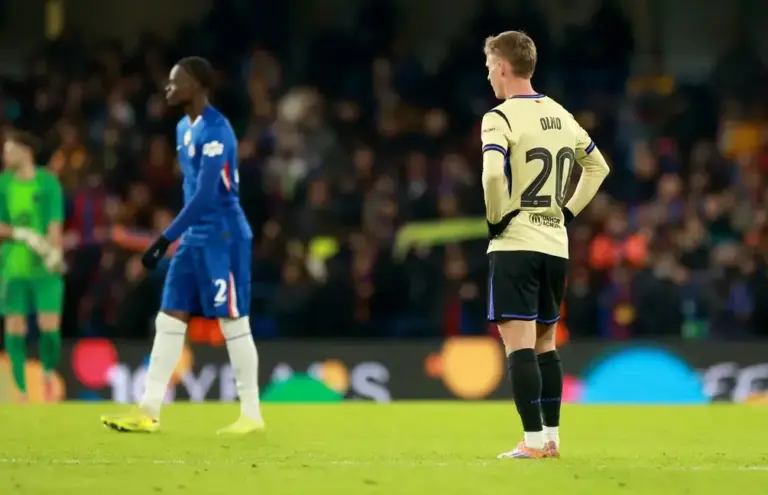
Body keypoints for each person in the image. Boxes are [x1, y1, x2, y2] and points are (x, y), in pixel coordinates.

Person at [101, 57, 264, 435]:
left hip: (224, 235)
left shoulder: (218, 131)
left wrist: (163, 239)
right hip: (194, 238)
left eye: (175, 82)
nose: (168, 88)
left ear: (197, 86)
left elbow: (207, 195)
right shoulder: (181, 129)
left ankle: (251, 414)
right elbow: (191, 192)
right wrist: (179, 237)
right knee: (169, 316)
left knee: (233, 321)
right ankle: (148, 409)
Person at [480, 31, 609, 459]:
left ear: (502, 67)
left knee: (518, 346)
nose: (488, 77)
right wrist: (567, 212)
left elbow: (494, 176)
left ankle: (532, 442)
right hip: (555, 244)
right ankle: (552, 437)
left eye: (488, 68)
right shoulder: (561, 114)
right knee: (546, 345)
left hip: (516, 242)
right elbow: (598, 167)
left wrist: (497, 217)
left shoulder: (499, 118)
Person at [0, 131, 66, 402]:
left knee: (49, 327)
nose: (5, 154)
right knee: (15, 326)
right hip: (13, 268)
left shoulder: (47, 182)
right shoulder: (3, 183)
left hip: (44, 269)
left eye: (8, 148)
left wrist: (52, 253)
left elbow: (54, 224)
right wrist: (21, 235)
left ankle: (48, 377)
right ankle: (20, 391)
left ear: (25, 151)